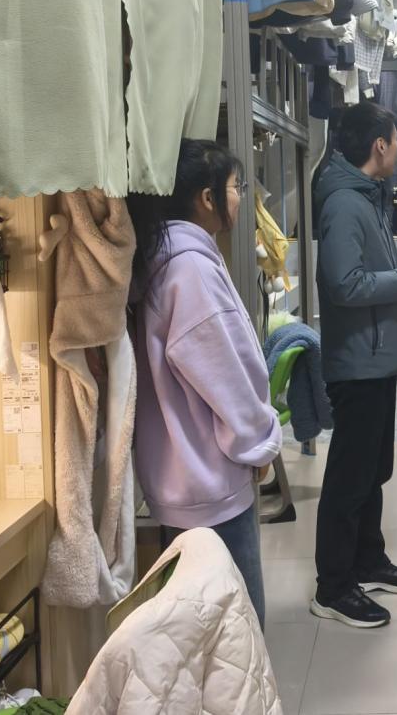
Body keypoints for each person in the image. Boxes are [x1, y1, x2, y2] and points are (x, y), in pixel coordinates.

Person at [128, 139, 283, 628]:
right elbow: (225, 377)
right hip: (210, 486)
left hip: (183, 477)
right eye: (237, 187)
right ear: (207, 198)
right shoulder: (190, 269)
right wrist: (258, 446)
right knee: (236, 632)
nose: (241, 197)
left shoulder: (169, 258)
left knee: (199, 631)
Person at [312, 102, 397, 628]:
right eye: (396, 139)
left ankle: (367, 561)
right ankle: (333, 587)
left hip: (373, 358)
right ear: (380, 145)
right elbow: (344, 284)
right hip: (357, 362)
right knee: (349, 478)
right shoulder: (344, 203)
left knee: (372, 471)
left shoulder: (367, 196)